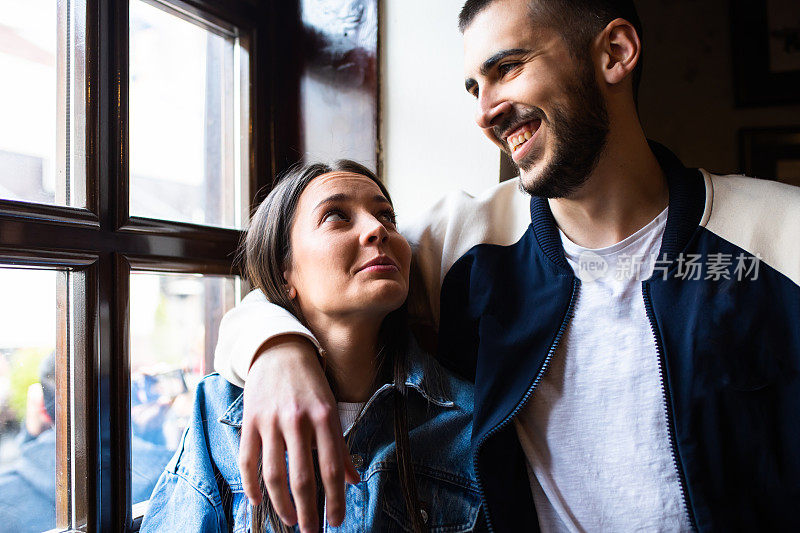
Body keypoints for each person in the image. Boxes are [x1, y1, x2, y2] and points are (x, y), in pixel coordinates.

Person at [213, 0, 800, 531]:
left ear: (615, 54)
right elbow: (303, 281)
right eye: (474, 87)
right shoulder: (461, 240)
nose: (484, 111)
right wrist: (277, 352)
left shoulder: (781, 234)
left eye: (508, 68)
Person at [141, 161, 483, 532]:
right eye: (336, 216)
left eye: (386, 216)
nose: (377, 230)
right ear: (285, 270)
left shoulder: (467, 419)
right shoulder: (220, 413)